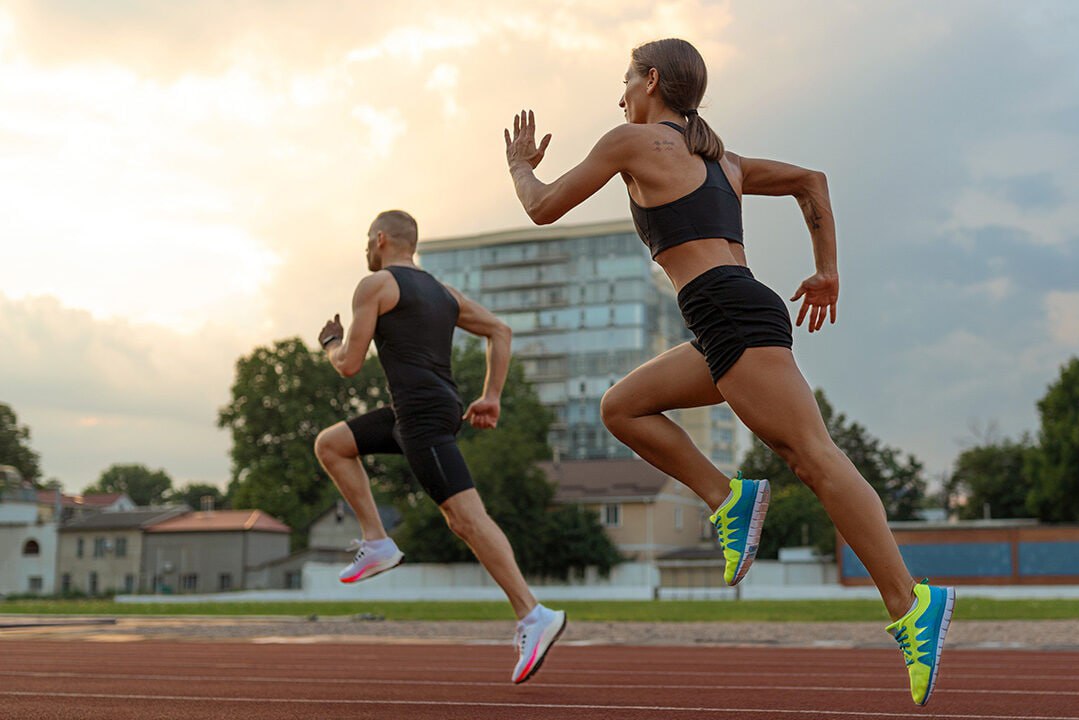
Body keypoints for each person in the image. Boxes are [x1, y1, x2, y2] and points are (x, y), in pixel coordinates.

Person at [503, 38, 954, 706]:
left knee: (814, 458)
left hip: (729, 313)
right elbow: (812, 182)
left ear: (651, 81)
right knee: (622, 407)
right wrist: (826, 267)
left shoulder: (631, 140)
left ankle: (911, 604)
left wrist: (518, 165)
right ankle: (727, 498)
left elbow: (540, 207)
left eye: (625, 82)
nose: (620, 96)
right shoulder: (724, 161)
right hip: (726, 318)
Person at [313, 210, 566, 684]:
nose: (366, 248)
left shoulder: (375, 286)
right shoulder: (443, 293)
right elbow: (500, 330)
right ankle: (377, 541)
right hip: (421, 410)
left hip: (422, 417)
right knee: (331, 444)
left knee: (466, 518)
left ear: (382, 239)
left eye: (368, 239)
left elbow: (348, 364)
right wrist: (490, 395)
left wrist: (330, 342)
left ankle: (534, 614)